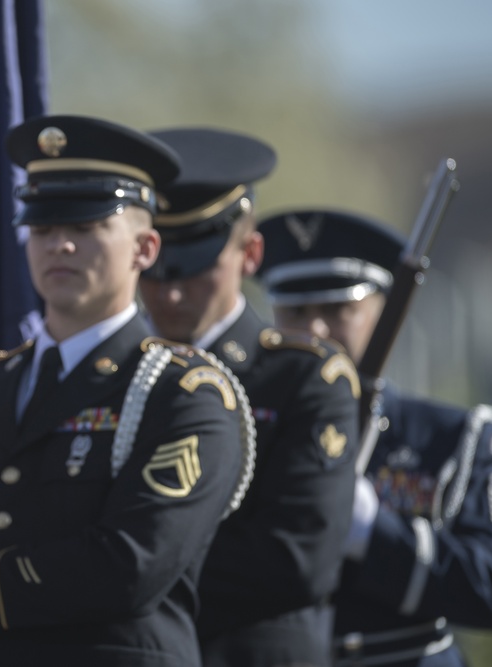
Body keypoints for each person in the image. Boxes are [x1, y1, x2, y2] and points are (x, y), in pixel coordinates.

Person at [0, 115, 253, 667]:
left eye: (86, 228)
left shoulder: (186, 393)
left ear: (145, 248)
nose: (59, 244)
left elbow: (130, 565)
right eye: (42, 227)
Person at [257, 208, 492, 666]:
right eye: (296, 311)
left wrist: (370, 530)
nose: (315, 330)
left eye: (337, 309)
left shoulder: (453, 437)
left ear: (385, 311)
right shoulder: (249, 432)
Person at [138, 128, 361, 666]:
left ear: (250, 253)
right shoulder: (125, 375)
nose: (170, 291)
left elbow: (297, 558)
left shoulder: (305, 378)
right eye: (158, 267)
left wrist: (125, 575)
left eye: (196, 266)